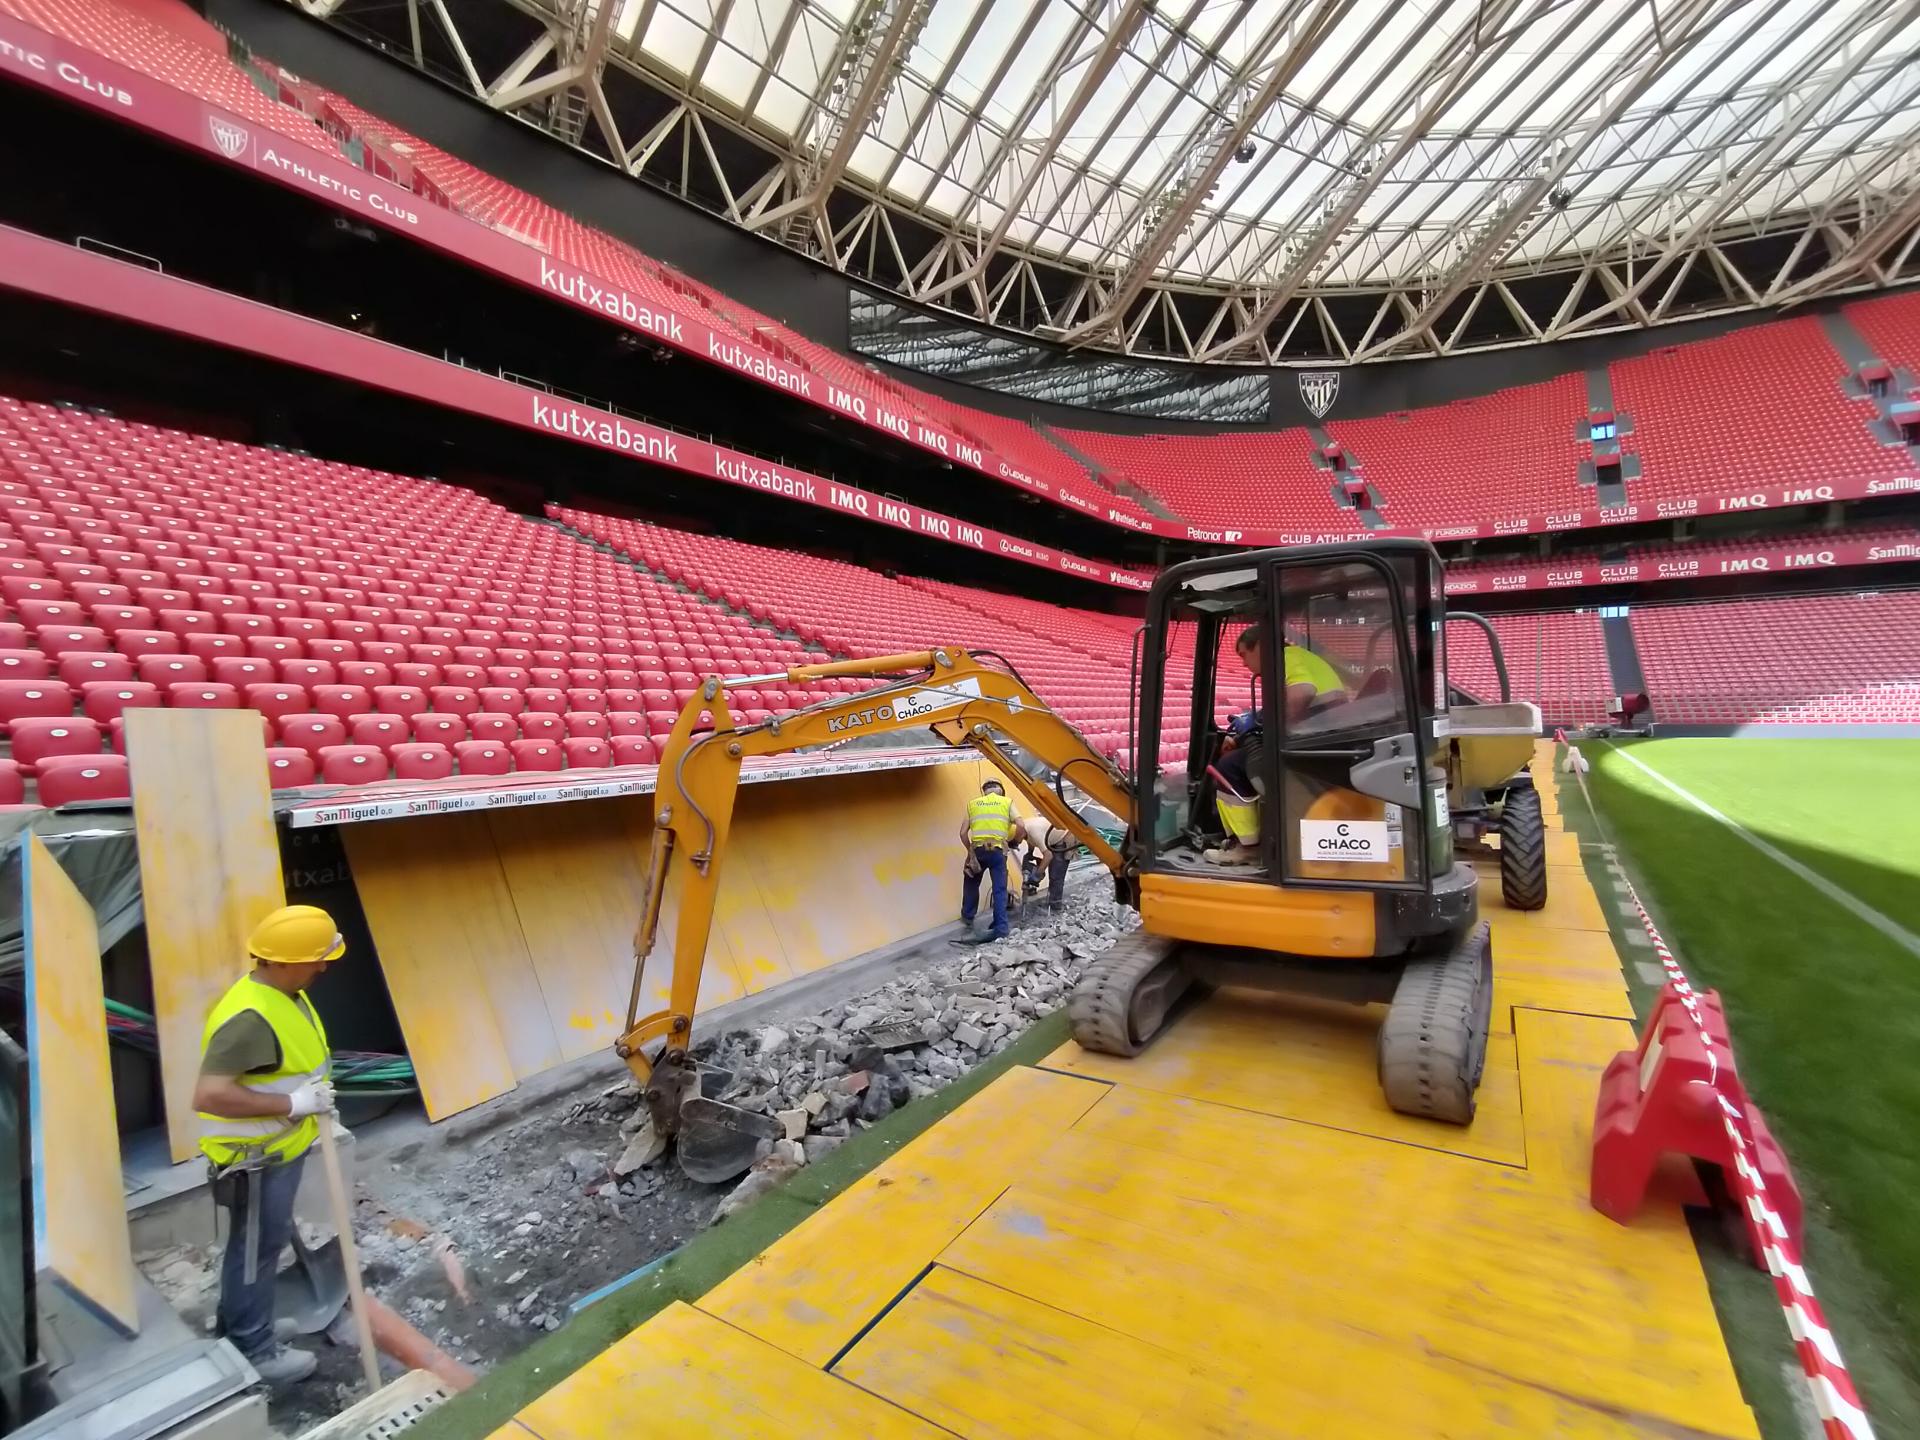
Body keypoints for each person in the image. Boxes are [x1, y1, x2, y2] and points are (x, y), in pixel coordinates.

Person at [193, 905, 343, 1386]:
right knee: (256, 1250)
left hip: (278, 1149)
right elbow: (210, 1095)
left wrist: (311, 1101)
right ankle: (255, 1350)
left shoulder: (285, 991)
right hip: (255, 1161)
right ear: (279, 962)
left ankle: (237, 1332)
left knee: (261, 1245)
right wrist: (294, 1102)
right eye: (315, 958)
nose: (324, 966)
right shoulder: (250, 1018)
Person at [1207, 622, 1346, 865]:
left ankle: (1249, 847)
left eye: (1243, 654)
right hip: (1321, 738)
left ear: (1260, 645)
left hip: (1309, 747)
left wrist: (1269, 727)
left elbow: (1302, 692)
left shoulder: (1285, 657)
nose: (1243, 663)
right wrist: (1253, 725)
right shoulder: (1302, 657)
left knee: (1227, 768)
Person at [957, 779, 1018, 942]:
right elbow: (1022, 826)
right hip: (998, 851)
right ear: (1001, 790)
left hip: (978, 849)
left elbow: (963, 833)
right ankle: (1001, 928)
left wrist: (970, 852)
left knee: (971, 882)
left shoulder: (973, 804)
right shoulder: (1007, 802)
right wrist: (1014, 842)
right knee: (999, 890)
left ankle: (968, 918)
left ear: (984, 791)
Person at [1014, 812, 1074, 911]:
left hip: (1064, 837)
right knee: (1053, 872)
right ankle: (1052, 902)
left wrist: (1037, 874)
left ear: (1019, 835)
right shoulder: (1023, 828)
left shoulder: (1033, 832)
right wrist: (1030, 852)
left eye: (1016, 842)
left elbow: (1048, 855)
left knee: (1056, 874)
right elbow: (1030, 840)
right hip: (1053, 839)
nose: (1017, 844)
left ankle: (1055, 906)